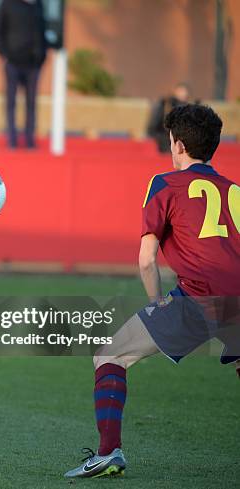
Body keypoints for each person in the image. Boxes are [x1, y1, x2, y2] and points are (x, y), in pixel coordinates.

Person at [65, 104, 240, 478]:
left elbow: (147, 259)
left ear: (176, 145)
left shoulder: (165, 183)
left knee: (111, 355)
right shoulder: (235, 190)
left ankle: (109, 452)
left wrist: (156, 303)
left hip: (199, 296)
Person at [0, 0, 47, 149]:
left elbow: (42, 31)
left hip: (33, 63)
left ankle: (30, 140)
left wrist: (42, 57)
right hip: (13, 62)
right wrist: (4, 54)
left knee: (31, 103)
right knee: (11, 102)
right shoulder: (8, 4)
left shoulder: (38, 5)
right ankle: (12, 140)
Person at [147, 82, 191, 153]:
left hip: (178, 145)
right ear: (176, 92)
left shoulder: (188, 109)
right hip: (164, 144)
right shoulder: (164, 105)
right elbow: (152, 128)